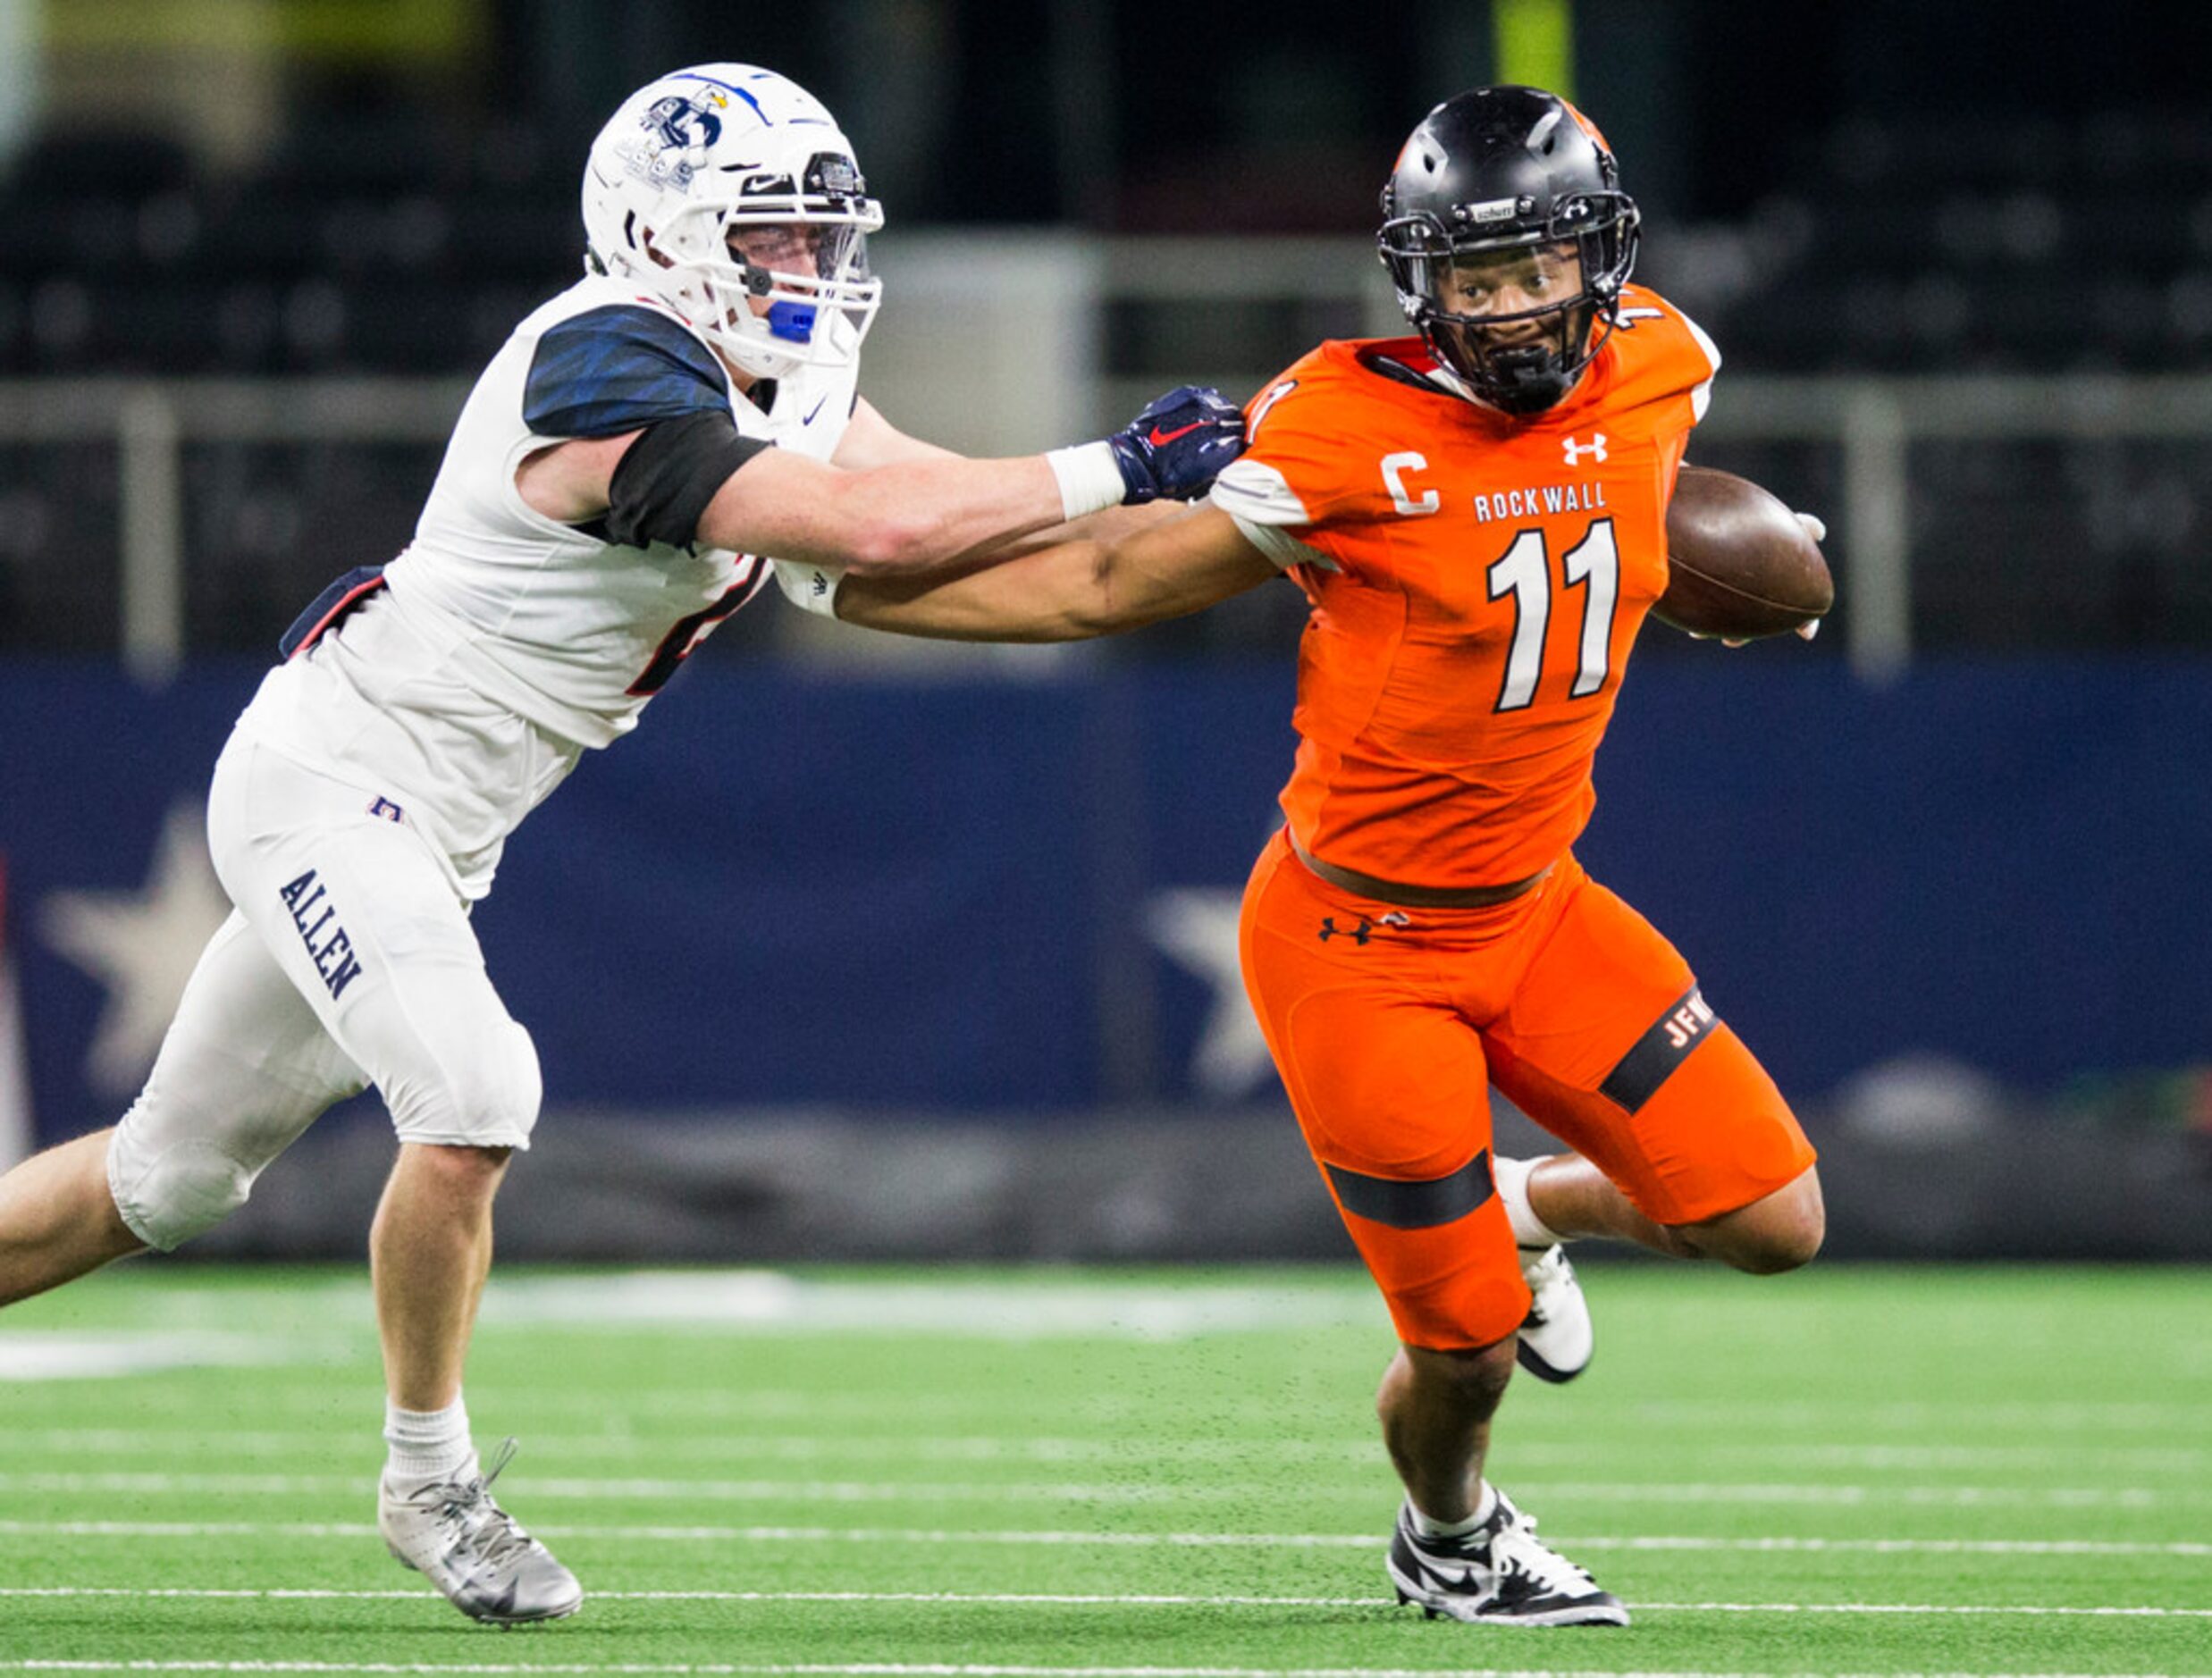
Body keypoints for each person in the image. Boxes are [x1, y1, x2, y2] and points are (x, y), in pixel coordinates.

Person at [0, 64, 1241, 1625]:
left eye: (818, 237)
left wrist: (1246, 524)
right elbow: (872, 537)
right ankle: (429, 1478)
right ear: (661, 232)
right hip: (332, 780)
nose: (808, 272)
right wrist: (1124, 460)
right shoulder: (604, 372)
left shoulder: (778, 356)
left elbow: (920, 506)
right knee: (475, 1097)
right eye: (772, 238)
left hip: (438, 828)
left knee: (157, 1184)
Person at [798, 85, 1826, 1628]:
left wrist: (1759, 563)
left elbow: (1641, 512)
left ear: (1599, 259)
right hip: (1360, 948)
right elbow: (1094, 577)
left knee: (1773, 1218)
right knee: (1466, 1341)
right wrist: (859, 593)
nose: (1512, 305)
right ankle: (1452, 1534)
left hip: (1540, 907)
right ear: (1421, 283)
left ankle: (1528, 1205)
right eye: (1473, 278)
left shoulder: (1662, 364)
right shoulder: (1341, 427)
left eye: (1539, 265)